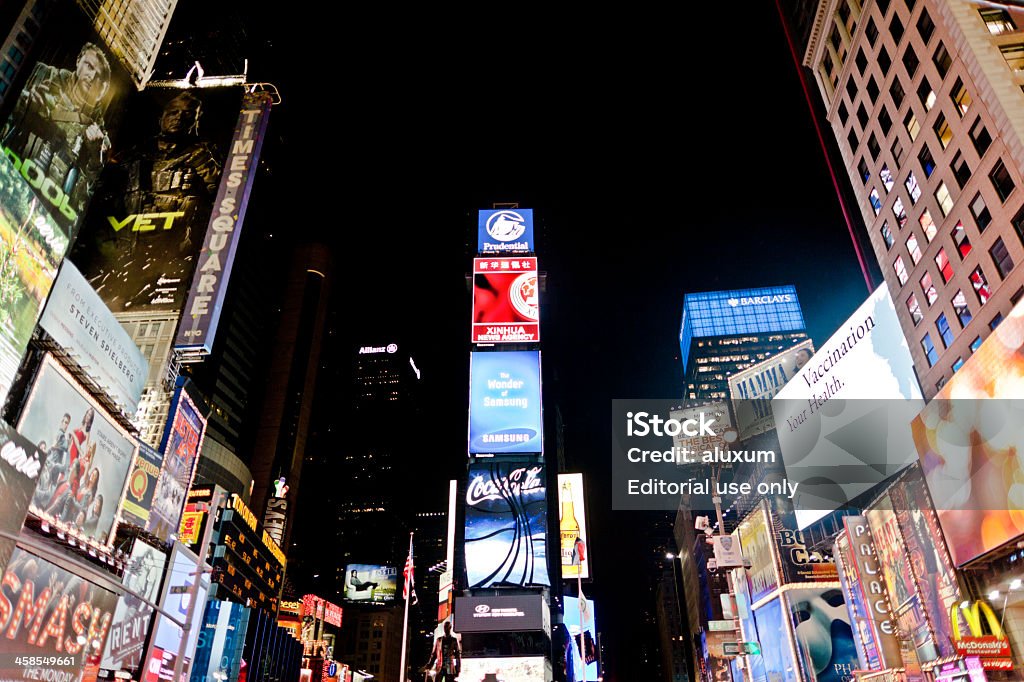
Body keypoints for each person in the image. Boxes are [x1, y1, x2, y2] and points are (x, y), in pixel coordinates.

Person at [85, 90, 222, 311]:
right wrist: (95, 154)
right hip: (123, 253)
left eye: (187, 114)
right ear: (162, 117)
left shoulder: (202, 156)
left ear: (195, 120)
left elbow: (222, 202)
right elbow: (100, 190)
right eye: (173, 112)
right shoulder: (136, 154)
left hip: (170, 258)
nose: (179, 117)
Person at [0, 42, 113, 226]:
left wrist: (94, 158)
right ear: (78, 61)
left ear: (104, 90)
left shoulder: (100, 140)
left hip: (41, 213)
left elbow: (83, 205)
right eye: (89, 66)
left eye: (99, 77)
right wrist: (23, 104)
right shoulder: (42, 75)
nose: (92, 76)